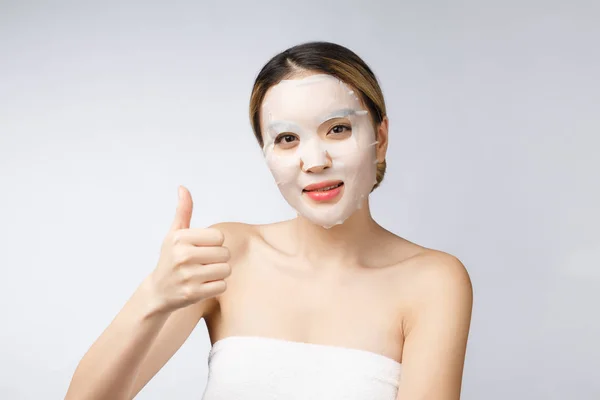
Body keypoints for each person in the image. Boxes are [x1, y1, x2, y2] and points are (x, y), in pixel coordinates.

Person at [65, 41, 473, 400]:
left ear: (379, 139)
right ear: (266, 153)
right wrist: (155, 294)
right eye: (287, 139)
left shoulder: (432, 281)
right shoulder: (228, 254)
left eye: (338, 129)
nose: (315, 162)